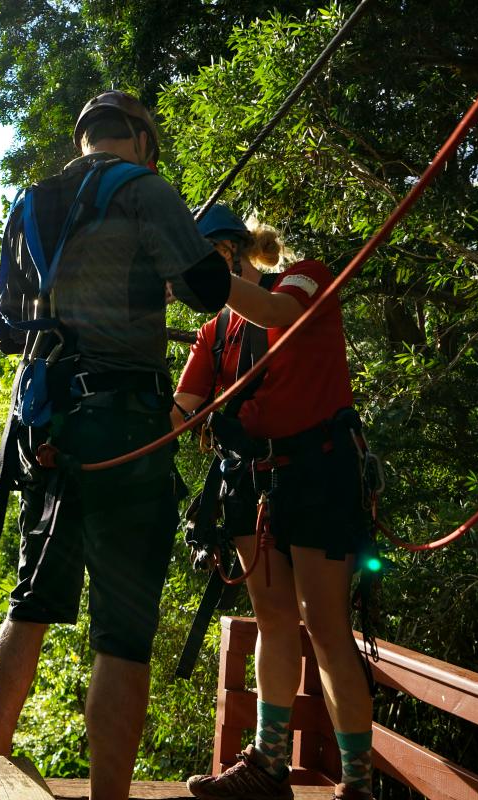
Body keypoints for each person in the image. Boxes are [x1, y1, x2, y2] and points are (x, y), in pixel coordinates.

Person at [0, 91, 233, 800]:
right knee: (122, 632)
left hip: (44, 428)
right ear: (143, 141)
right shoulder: (145, 190)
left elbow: (8, 332)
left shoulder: (34, 200)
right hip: (124, 425)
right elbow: (207, 291)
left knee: (32, 599)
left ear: (85, 137)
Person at [173, 206, 375, 800]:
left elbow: (278, 313)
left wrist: (200, 273)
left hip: (317, 470)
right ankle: (269, 763)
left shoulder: (304, 276)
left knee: (328, 627)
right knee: (274, 622)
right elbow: (183, 411)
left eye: (208, 258)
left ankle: (357, 783)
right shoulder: (215, 335)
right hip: (252, 481)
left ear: (234, 250)